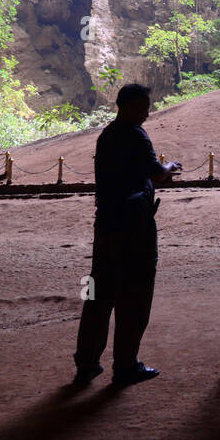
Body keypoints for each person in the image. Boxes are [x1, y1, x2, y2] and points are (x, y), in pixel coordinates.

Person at [73, 83, 178, 387]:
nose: (148, 112)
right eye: (145, 106)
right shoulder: (136, 134)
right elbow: (157, 173)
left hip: (106, 225)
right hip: (135, 227)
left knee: (99, 296)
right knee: (135, 294)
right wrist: (169, 167)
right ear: (131, 106)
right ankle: (126, 364)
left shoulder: (107, 135)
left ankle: (87, 363)